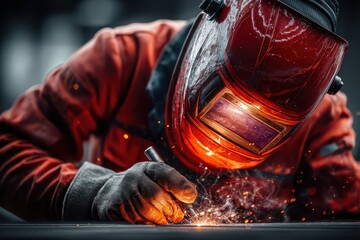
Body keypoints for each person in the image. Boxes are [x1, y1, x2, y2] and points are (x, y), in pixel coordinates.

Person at [0, 0, 359, 224]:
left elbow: (345, 213)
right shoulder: (120, 59)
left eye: (263, 126)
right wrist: (94, 193)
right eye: (226, 104)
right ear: (210, 45)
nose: (226, 139)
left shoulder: (322, 120)